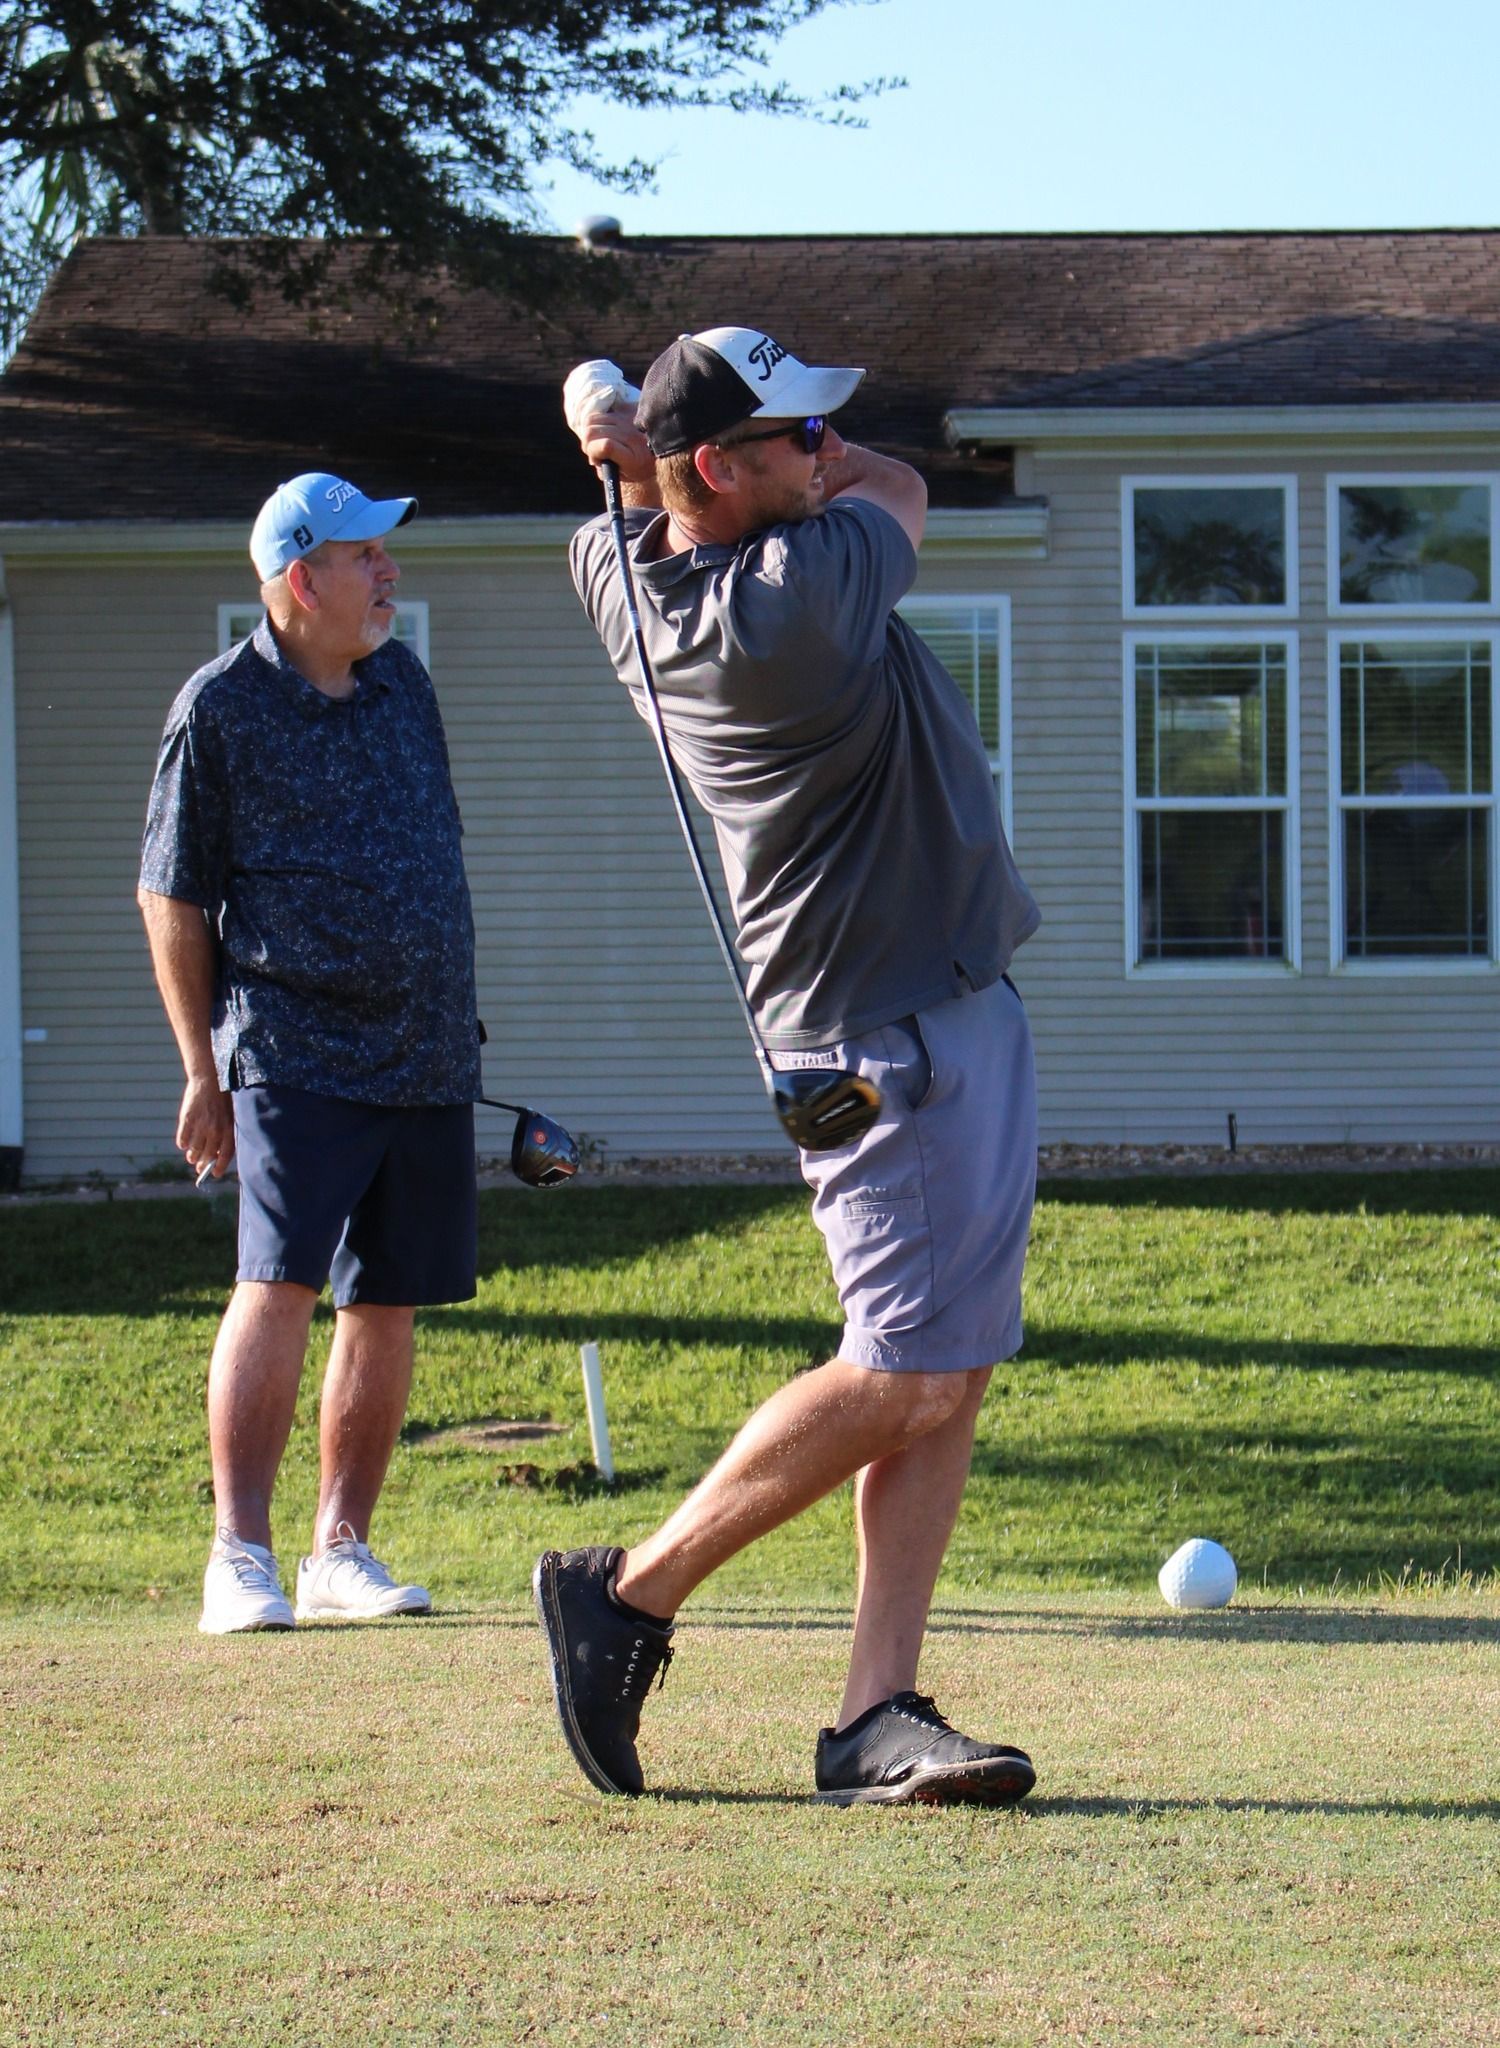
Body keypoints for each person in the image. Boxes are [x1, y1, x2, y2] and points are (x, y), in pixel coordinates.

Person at [535, 327, 1042, 1805]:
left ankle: (876, 1714)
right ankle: (627, 1593)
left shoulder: (624, 578)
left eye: (818, 437)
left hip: (927, 1005)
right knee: (906, 1368)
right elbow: (899, 482)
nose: (826, 454)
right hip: (884, 1033)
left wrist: (627, 445)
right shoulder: (798, 598)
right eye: (790, 444)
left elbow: (637, 519)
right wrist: (634, 432)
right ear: (717, 470)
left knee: (949, 1373)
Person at [138, 473, 482, 1635]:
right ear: (300, 577)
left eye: (387, 551)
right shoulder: (220, 707)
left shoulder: (403, 682)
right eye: (364, 555)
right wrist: (202, 1064)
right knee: (276, 1280)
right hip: (293, 1041)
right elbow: (172, 894)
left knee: (387, 1296)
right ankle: (240, 1552)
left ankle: (343, 1547)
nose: (389, 572)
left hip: (425, 1047)